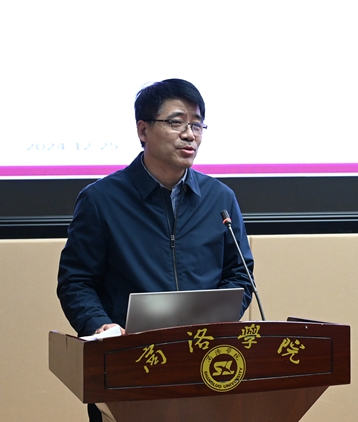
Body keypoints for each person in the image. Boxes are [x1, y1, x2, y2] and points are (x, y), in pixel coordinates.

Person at [56, 78, 255, 421]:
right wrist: (100, 325)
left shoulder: (220, 199)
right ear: (143, 130)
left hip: (205, 361)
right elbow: (76, 281)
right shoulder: (102, 200)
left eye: (197, 125)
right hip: (128, 362)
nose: (190, 135)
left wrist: (217, 323)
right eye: (177, 122)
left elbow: (240, 274)